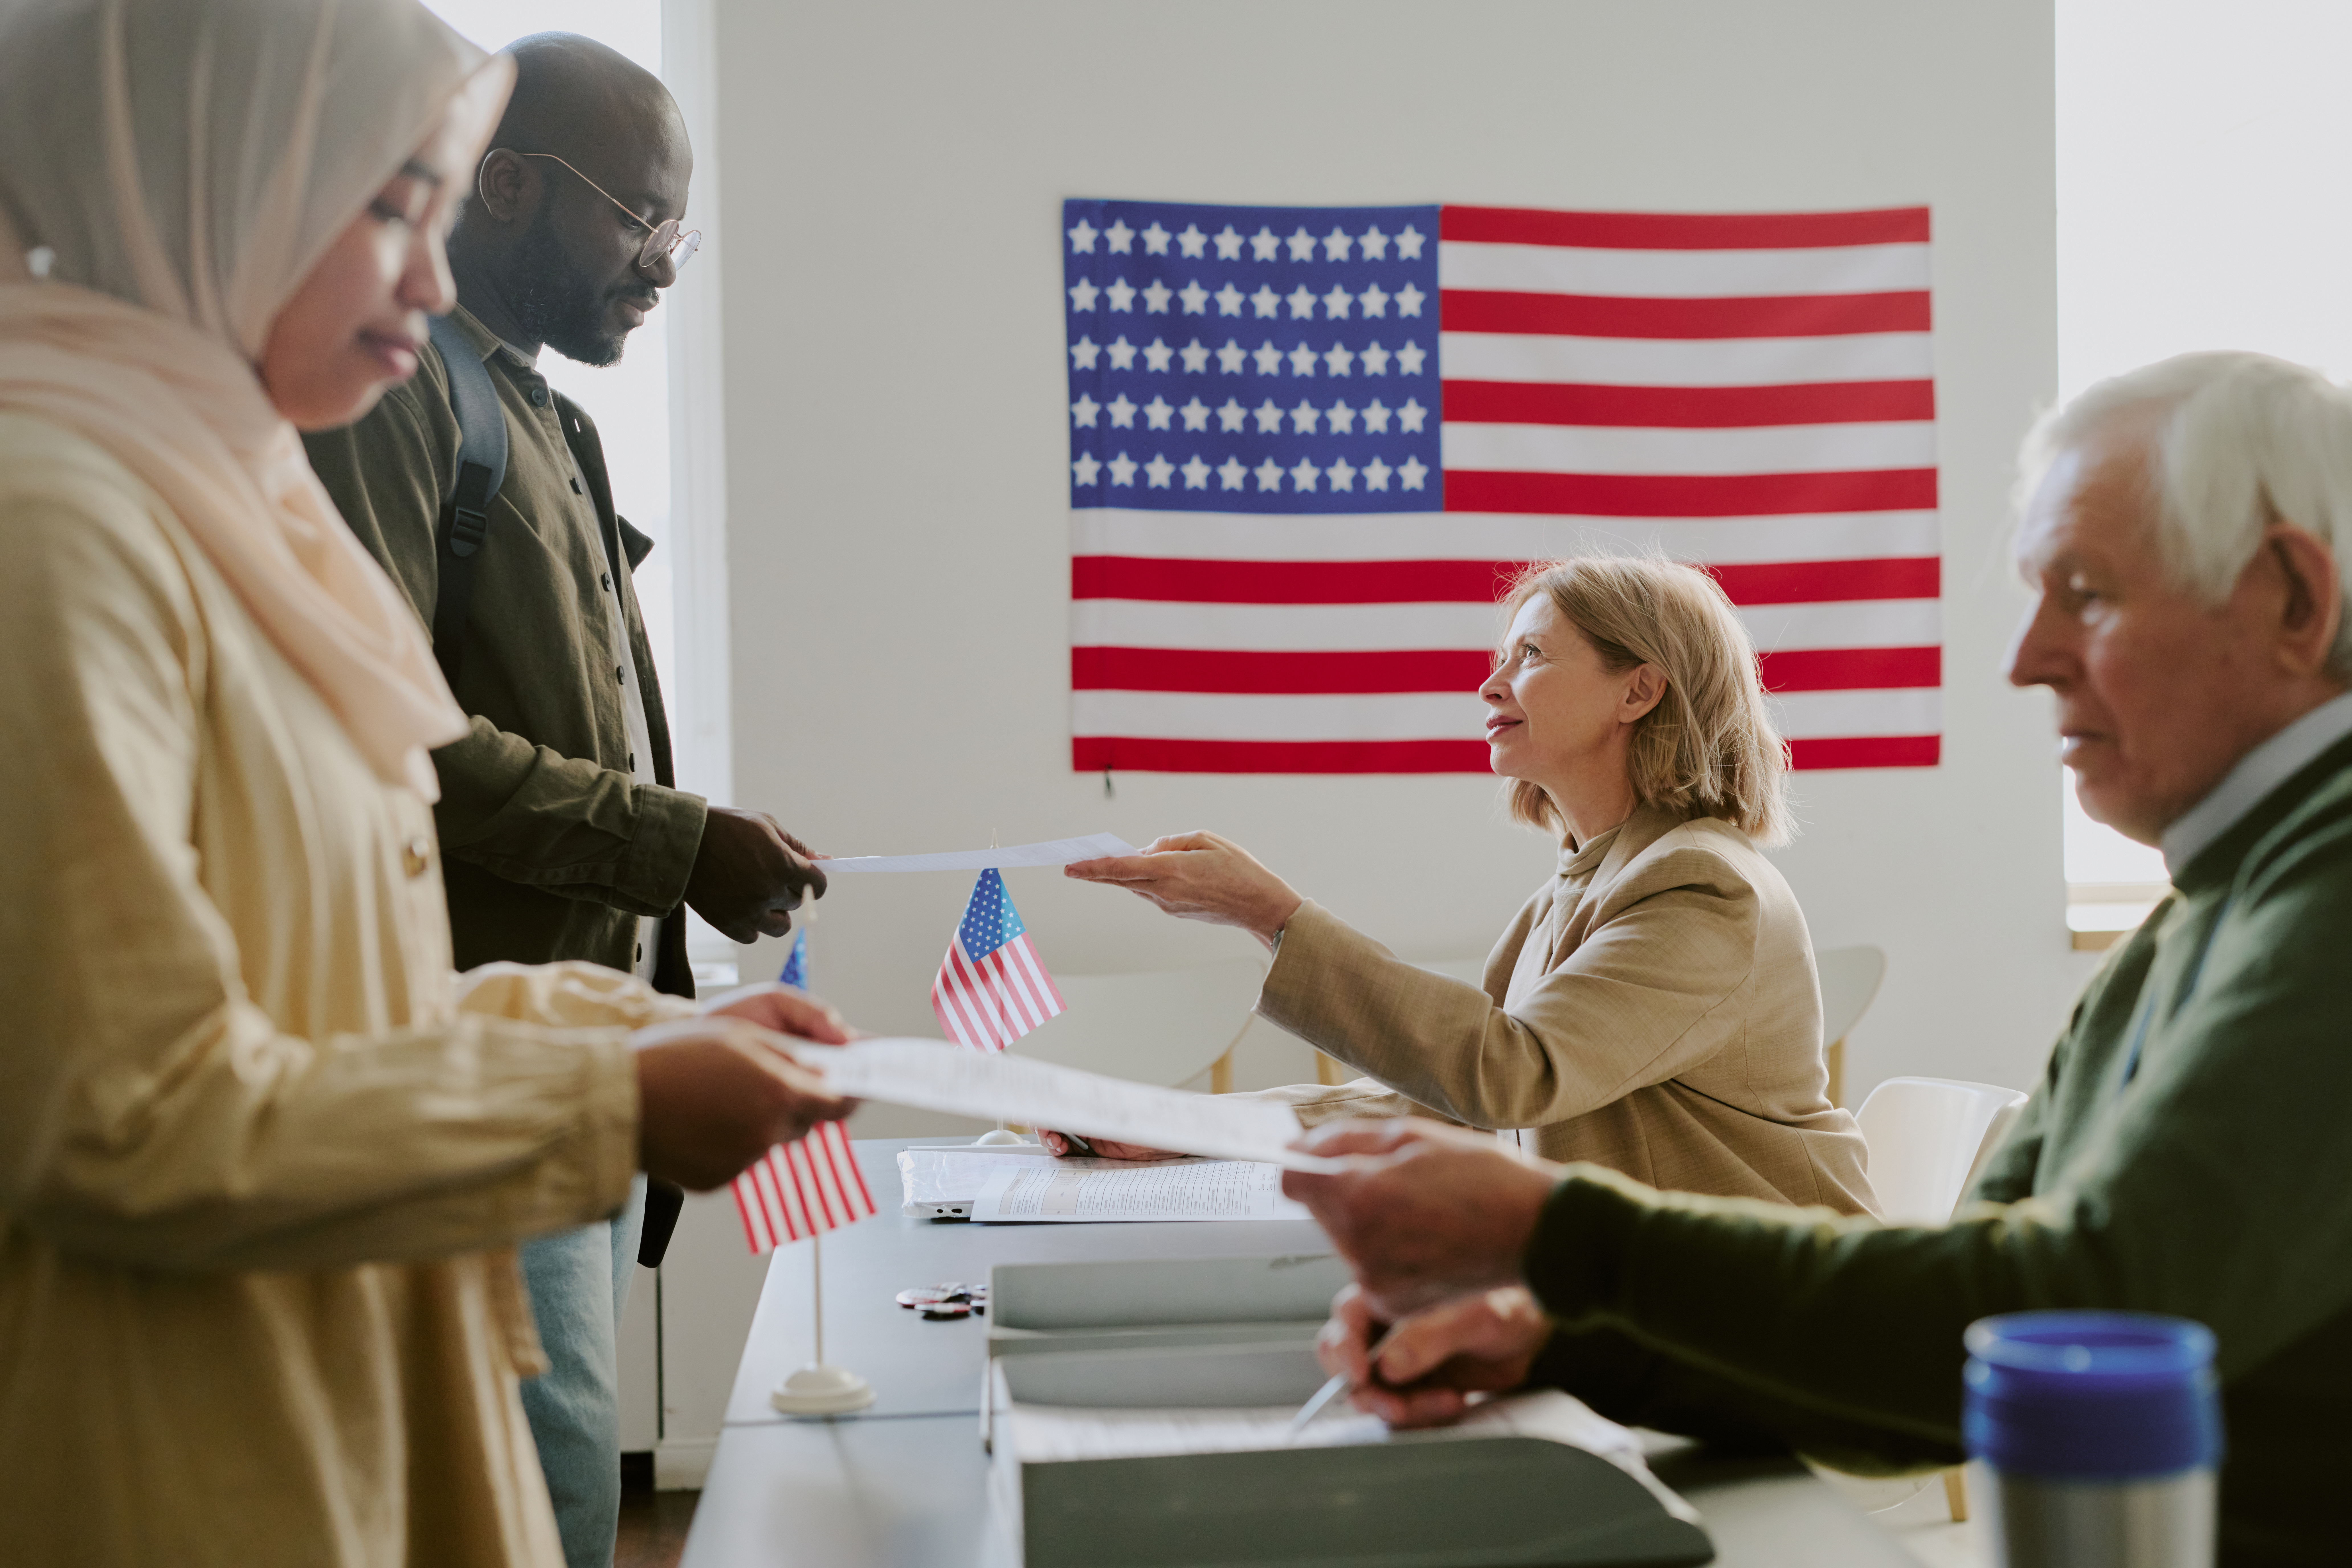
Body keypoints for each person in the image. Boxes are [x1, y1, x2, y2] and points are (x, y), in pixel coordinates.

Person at [0, 3, 856, 1563]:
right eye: (389, 207)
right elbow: (126, 1115)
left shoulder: (221, 500)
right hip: (190, 1449)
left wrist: (638, 1027)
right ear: (200, 181)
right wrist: (613, 1092)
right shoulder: (56, 525)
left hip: (345, 1353)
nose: (430, 269)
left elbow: (349, 997)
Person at [1284, 351, 2352, 1566]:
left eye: (2088, 592)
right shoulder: (2206, 909)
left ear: (2290, 599)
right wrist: (1565, 1339)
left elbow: (2081, 1307)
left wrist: (1562, 1241)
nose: (2027, 656)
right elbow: (1969, 1350)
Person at [297, 34, 821, 1566]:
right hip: (466, 1074)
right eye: (638, 219)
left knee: (563, 1504)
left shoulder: (542, 417)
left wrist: (691, 876)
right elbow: (406, 747)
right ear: (506, 184)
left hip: (584, 1053)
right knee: (542, 1513)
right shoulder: (396, 402)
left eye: (681, 230)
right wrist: (677, 844)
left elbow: (564, 733)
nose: (662, 261)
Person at [1055, 555, 1875, 1215]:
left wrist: (1270, 915)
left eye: (1532, 656)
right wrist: (1183, 1126)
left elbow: (1508, 1075)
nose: (1490, 686)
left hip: (1761, 1323)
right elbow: (1448, 1106)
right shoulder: (1583, 883)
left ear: (1639, 689)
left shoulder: (1701, 887)